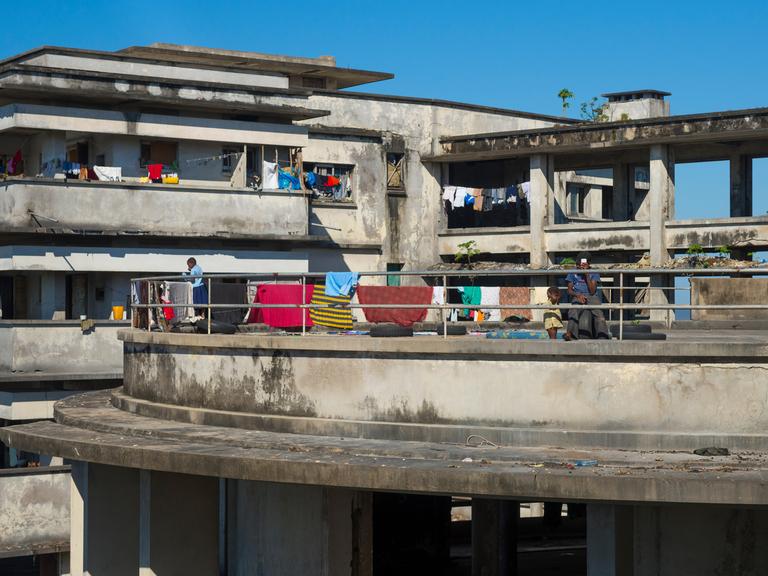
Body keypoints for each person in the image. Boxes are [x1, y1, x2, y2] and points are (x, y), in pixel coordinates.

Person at [564, 252, 610, 340]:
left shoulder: (594, 272)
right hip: (577, 295)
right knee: (573, 311)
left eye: (584, 264)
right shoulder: (572, 272)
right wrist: (577, 295)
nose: (581, 266)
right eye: (579, 264)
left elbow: (592, 291)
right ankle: (570, 334)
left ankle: (603, 336)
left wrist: (587, 274)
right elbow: (569, 290)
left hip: (591, 296)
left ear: (588, 264)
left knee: (599, 314)